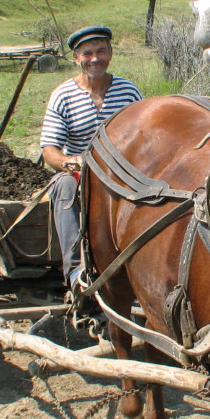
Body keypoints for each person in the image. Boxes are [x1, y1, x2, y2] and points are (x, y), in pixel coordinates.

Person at [40, 26, 142, 290]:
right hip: (79, 173)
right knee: (64, 186)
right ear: (76, 58)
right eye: (87, 53)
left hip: (123, 171)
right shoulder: (63, 95)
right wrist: (71, 162)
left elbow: (145, 135)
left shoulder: (128, 91)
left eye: (100, 51)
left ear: (110, 53)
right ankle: (76, 272)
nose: (95, 59)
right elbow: (49, 150)